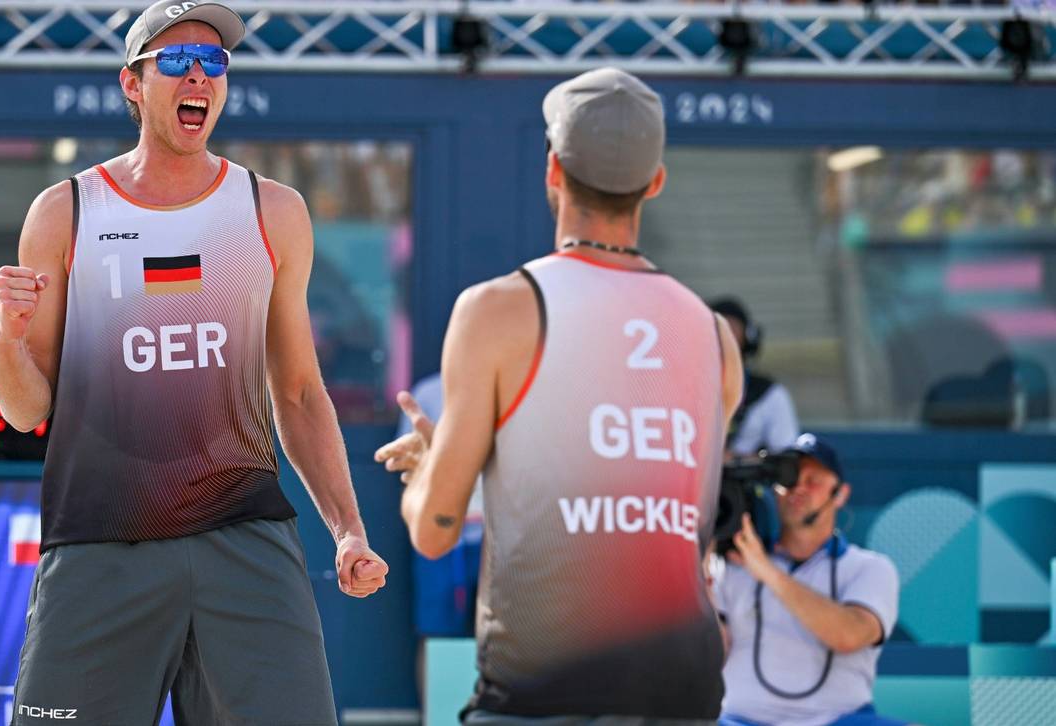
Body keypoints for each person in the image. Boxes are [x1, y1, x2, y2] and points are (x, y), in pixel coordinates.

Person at [0, 2, 388, 723]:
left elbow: (296, 392)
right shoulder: (66, 212)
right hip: (104, 540)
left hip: (242, 535)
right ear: (133, 84)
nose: (197, 74)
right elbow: (25, 408)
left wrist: (349, 529)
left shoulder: (272, 210)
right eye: (174, 60)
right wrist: (7, 338)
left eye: (214, 62)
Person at [377, 67, 744, 723]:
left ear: (552, 170)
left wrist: (426, 475)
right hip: (682, 689)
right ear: (655, 182)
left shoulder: (498, 310)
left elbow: (437, 531)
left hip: (542, 693)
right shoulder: (714, 336)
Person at [715, 434, 905, 726]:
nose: (799, 488)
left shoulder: (870, 568)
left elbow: (849, 636)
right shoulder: (733, 564)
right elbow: (712, 655)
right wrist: (697, 580)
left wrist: (768, 572)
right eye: (789, 479)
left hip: (839, 721)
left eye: (813, 479)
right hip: (741, 721)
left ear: (840, 494)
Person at [398, 372, 485, 694]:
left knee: (505, 636)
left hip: (500, 535)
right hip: (441, 536)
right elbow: (409, 466)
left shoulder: (517, 383)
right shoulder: (429, 392)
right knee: (436, 632)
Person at [708, 297, 798, 457]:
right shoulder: (688, 392)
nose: (725, 338)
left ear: (749, 337)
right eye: (717, 329)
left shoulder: (769, 394)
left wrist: (737, 460)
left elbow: (786, 455)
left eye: (732, 329)